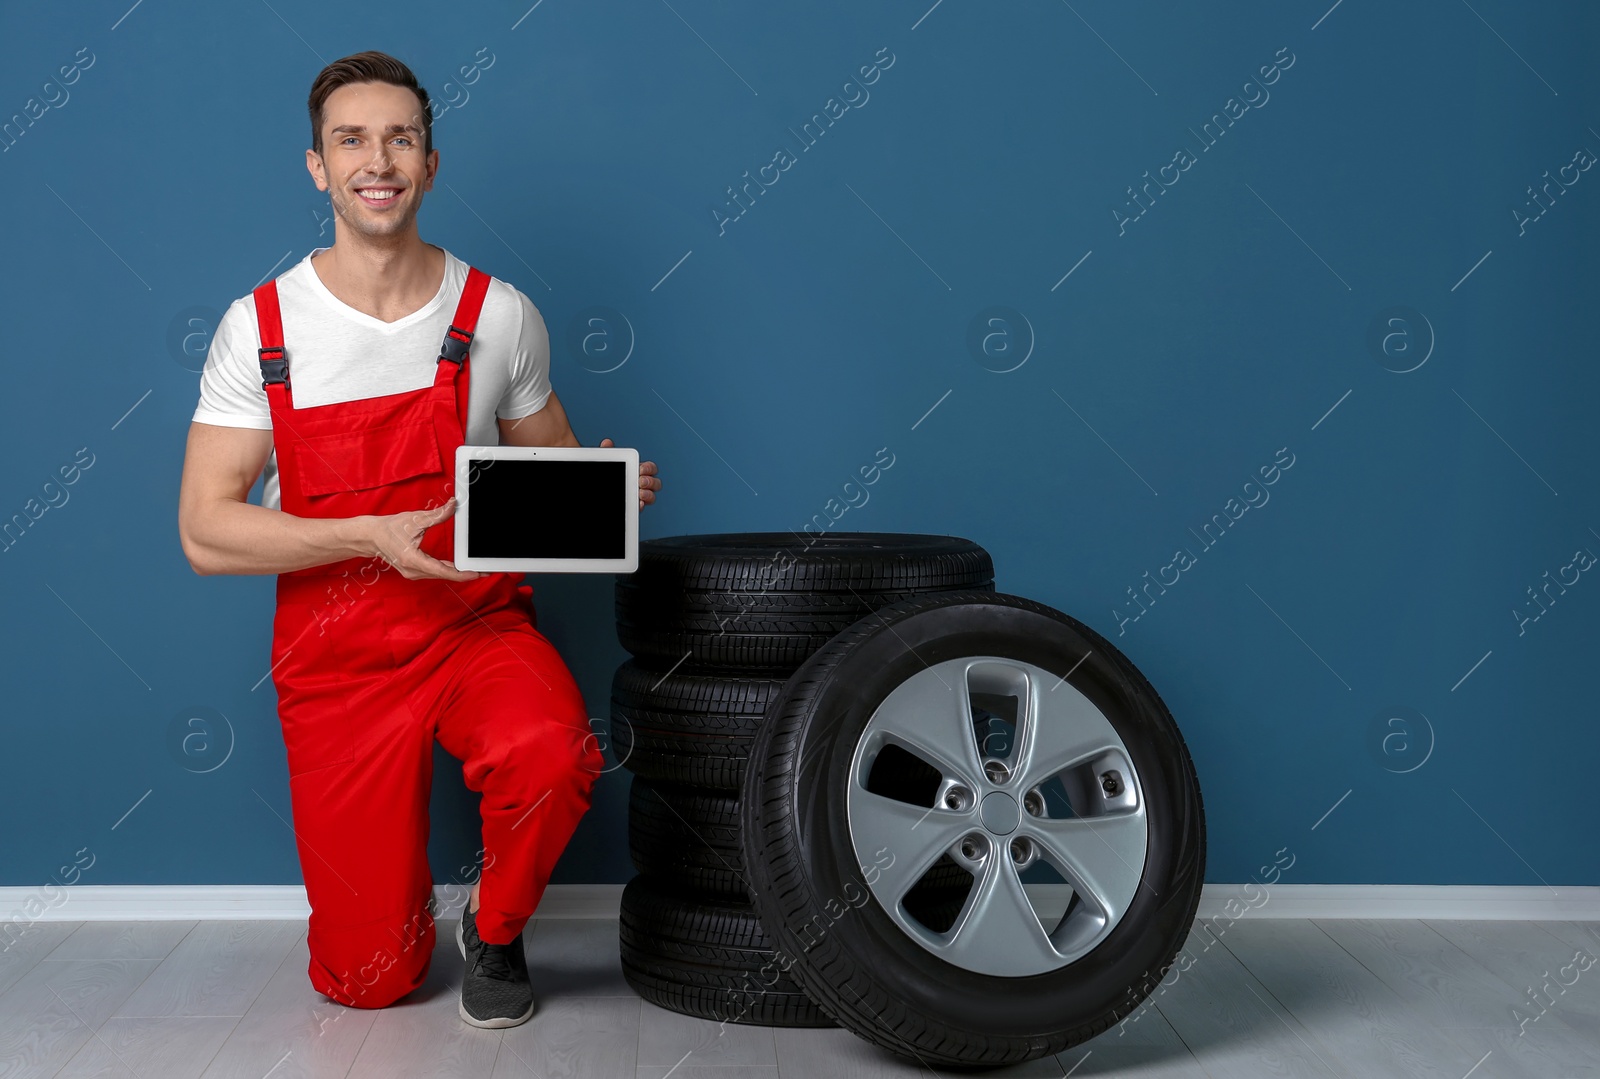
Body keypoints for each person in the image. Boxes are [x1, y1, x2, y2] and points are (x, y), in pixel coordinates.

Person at [176, 50, 661, 1029]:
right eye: (350, 139)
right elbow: (206, 530)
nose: (377, 159)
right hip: (336, 658)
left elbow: (548, 467)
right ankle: (392, 941)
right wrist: (365, 535)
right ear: (317, 166)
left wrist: (600, 492)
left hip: (470, 624)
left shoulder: (499, 315)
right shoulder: (262, 329)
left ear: (430, 164)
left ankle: (495, 922)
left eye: (400, 137)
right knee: (368, 981)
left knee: (555, 749)